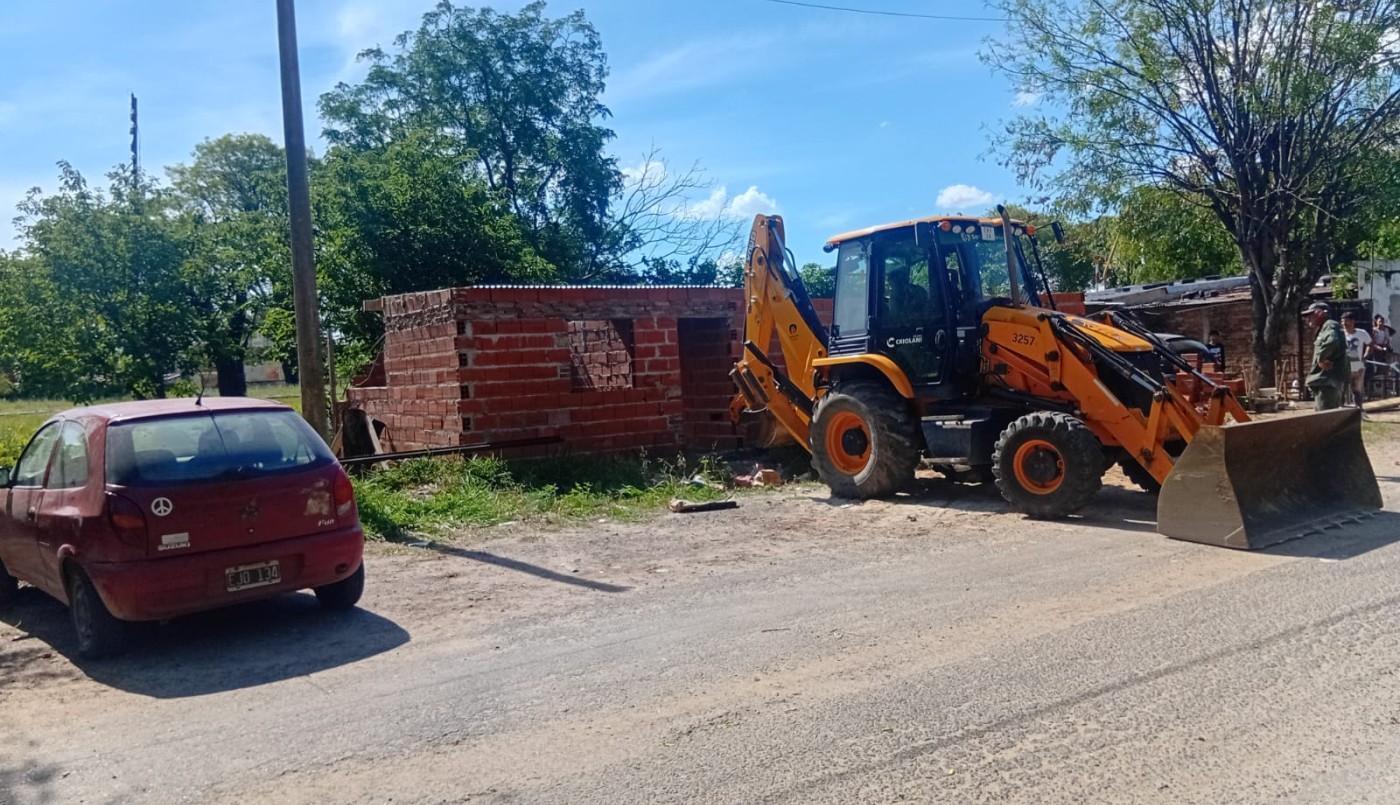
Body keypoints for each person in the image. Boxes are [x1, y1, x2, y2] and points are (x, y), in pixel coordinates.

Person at [1303, 301, 1348, 411]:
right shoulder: (1324, 327)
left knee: (1325, 415)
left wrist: (1321, 358)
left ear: (1321, 313)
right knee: (1324, 414)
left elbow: (1332, 341)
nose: (1307, 318)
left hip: (1328, 380)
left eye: (1310, 314)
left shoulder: (1330, 325)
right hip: (1325, 380)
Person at [1342, 311, 1371, 408]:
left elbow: (1370, 344)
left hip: (1357, 367)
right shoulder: (1340, 334)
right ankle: (1341, 411)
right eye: (1342, 321)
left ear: (1353, 321)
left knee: (1357, 391)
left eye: (1346, 321)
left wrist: (1365, 356)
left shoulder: (1361, 333)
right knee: (1342, 390)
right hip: (1344, 367)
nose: (1344, 324)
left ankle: (1359, 411)